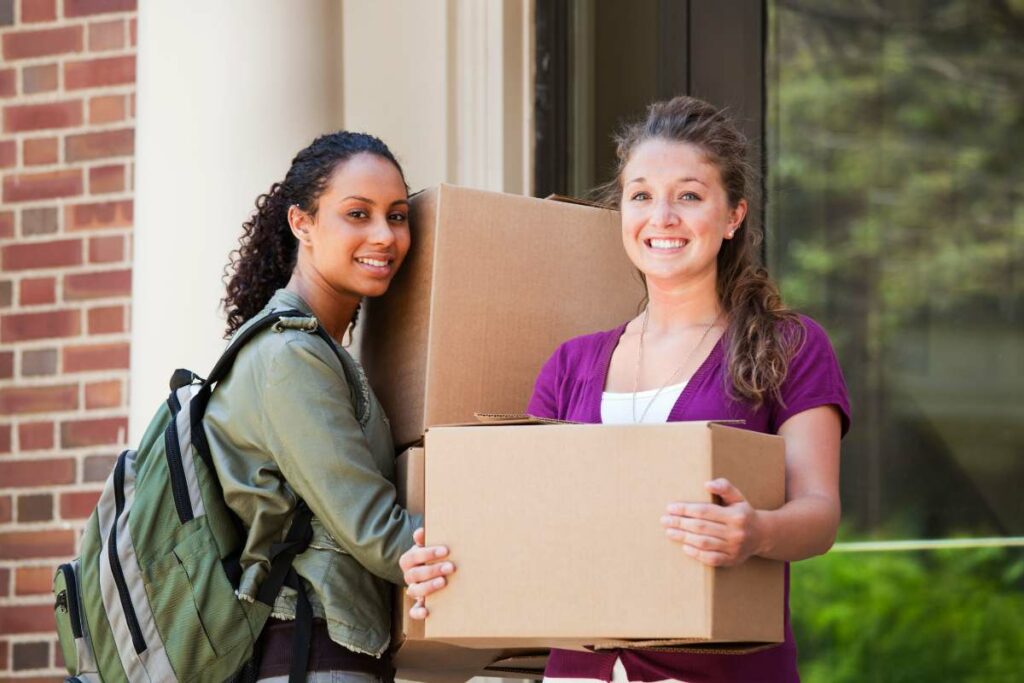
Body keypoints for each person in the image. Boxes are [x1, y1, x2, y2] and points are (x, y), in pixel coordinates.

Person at [402, 96, 850, 683]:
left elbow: (819, 514)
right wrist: (446, 564)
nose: (661, 216)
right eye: (640, 195)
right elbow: (533, 524)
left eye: (689, 196)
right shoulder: (571, 364)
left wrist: (757, 532)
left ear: (733, 215)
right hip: (581, 674)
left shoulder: (788, 345)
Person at [207, 131, 441, 682]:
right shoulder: (290, 357)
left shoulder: (321, 350)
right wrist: (525, 535)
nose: (385, 235)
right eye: (357, 214)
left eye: (398, 216)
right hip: (310, 656)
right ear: (302, 223)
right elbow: (379, 534)